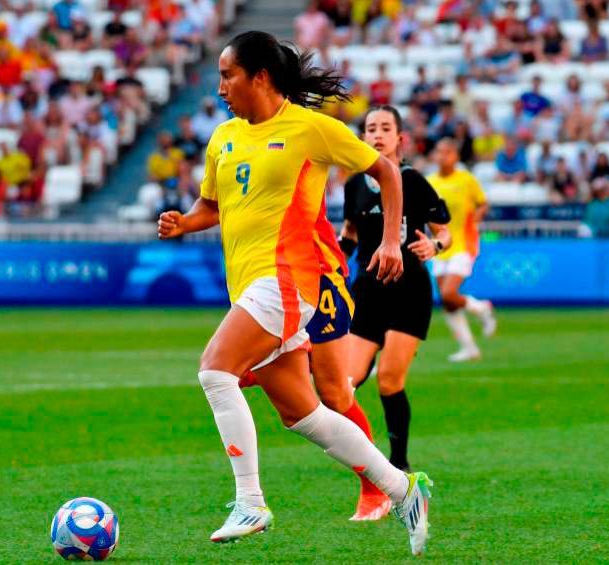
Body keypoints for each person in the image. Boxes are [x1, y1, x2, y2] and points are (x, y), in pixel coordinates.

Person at [157, 31, 433, 555]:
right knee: (304, 415)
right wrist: (183, 223)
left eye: (227, 75)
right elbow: (211, 207)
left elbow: (386, 170)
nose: (220, 89)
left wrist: (393, 240)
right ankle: (403, 489)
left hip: (288, 280)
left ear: (260, 77)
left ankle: (250, 500)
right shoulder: (224, 138)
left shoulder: (310, 129)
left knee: (215, 371)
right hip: (249, 283)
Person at [343, 105, 452, 475]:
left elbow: (444, 231)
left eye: (385, 127)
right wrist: (332, 258)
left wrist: (435, 247)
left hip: (409, 290)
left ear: (399, 138)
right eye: (370, 127)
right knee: (344, 384)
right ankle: (363, 460)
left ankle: (398, 462)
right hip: (368, 290)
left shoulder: (414, 180)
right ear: (362, 137)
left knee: (389, 380)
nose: (377, 133)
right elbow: (351, 233)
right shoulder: (354, 184)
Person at [428, 138, 496, 362]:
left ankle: (481, 308)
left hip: (462, 243)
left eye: (447, 152)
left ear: (455, 156)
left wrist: (475, 220)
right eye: (439, 152)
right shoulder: (430, 181)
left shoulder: (466, 180)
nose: (443, 156)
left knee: (449, 293)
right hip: (439, 245)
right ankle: (469, 347)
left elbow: (483, 203)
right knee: (447, 301)